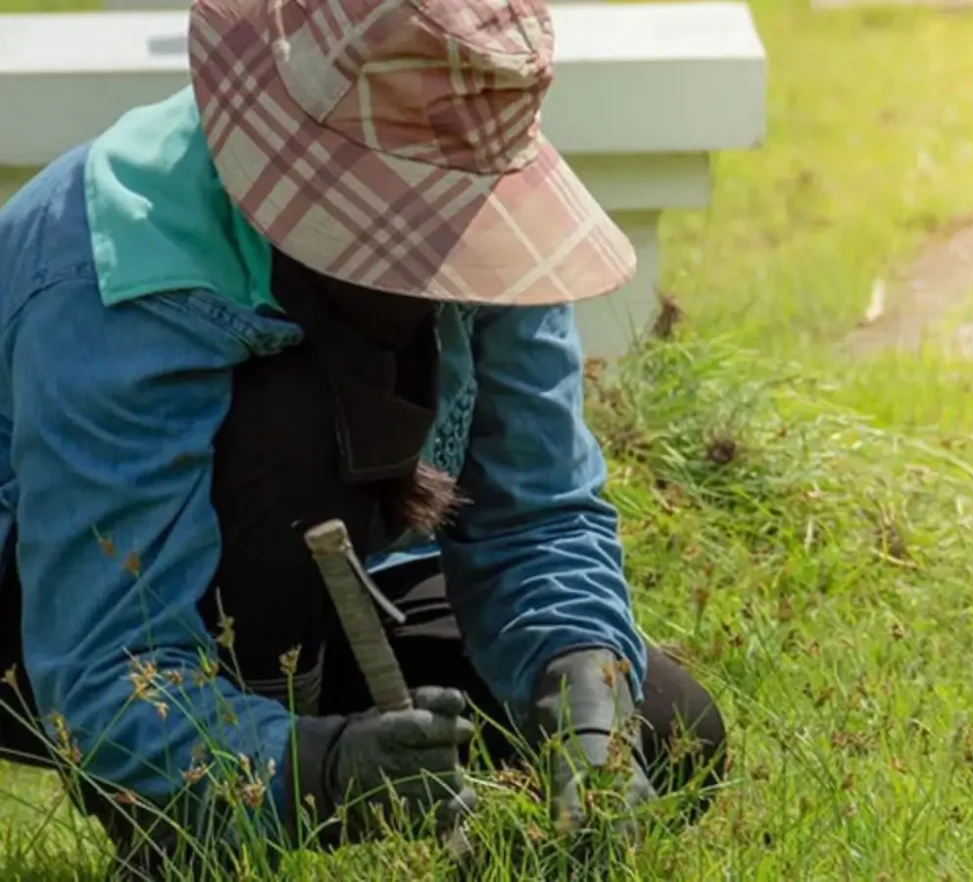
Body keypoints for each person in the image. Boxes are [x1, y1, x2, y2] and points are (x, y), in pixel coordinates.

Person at [0, 0, 726, 873]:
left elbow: (536, 518)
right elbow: (104, 658)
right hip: (62, 624)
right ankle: (192, 824)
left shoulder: (485, 206)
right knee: (288, 424)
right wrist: (322, 771)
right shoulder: (107, 269)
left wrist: (585, 714)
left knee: (669, 731)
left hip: (339, 593)